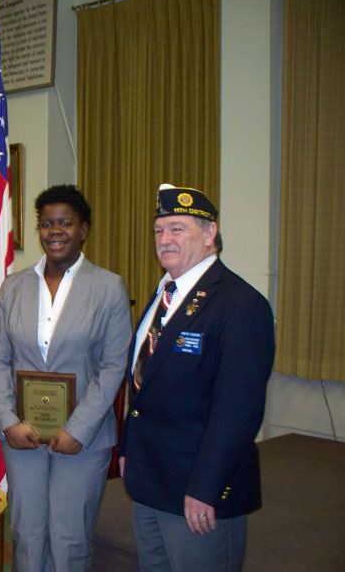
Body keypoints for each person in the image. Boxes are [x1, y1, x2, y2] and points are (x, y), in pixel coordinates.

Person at [118, 184, 275, 572]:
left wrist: (206, 488)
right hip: (149, 482)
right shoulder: (163, 296)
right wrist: (126, 450)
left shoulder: (240, 304)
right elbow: (143, 387)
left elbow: (238, 410)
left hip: (196, 494)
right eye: (159, 230)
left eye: (177, 228)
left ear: (209, 234)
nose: (165, 239)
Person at [0, 185, 132, 572]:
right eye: (47, 223)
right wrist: (7, 422)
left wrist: (78, 429)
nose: (55, 231)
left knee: (71, 540)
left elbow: (113, 366)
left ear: (83, 229)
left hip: (83, 440)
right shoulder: (13, 287)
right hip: (23, 436)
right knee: (28, 536)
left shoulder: (109, 288)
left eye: (65, 223)